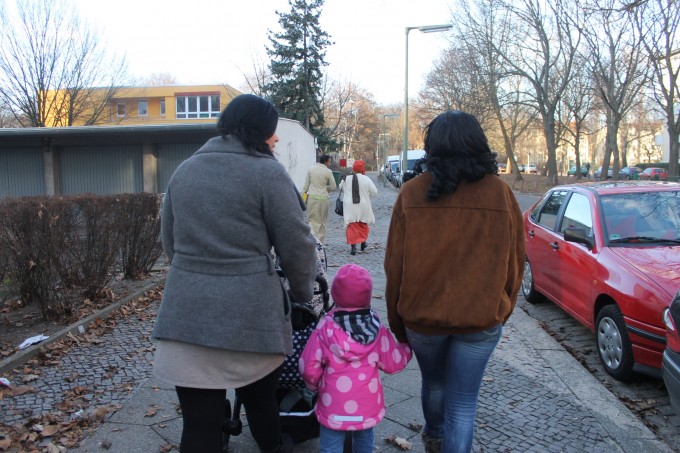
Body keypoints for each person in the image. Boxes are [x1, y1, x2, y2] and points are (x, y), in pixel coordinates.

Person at [152, 94, 318, 453]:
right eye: (273, 132)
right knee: (261, 402)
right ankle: (272, 446)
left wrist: (196, 272)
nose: (276, 138)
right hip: (251, 319)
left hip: (186, 316)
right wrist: (303, 293)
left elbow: (170, 243)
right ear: (260, 132)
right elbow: (297, 244)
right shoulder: (267, 172)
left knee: (198, 423)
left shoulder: (185, 170)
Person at [383, 110, 525, 453]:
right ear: (478, 143)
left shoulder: (412, 192)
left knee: (434, 384)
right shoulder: (500, 194)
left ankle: (434, 437)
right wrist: (501, 308)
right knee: (463, 404)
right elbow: (515, 262)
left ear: (432, 147)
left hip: (422, 318)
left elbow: (394, 266)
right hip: (480, 317)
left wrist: (398, 322)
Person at [299, 264, 412, 453]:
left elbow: (308, 366)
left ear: (335, 294)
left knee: (330, 445)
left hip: (333, 402)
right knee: (364, 441)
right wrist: (406, 347)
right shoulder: (377, 328)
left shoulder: (324, 328)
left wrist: (314, 385)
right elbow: (393, 363)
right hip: (366, 404)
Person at [338, 160, 378, 255]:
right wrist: (368, 195)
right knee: (362, 224)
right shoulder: (366, 179)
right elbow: (375, 192)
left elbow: (340, 188)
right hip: (363, 204)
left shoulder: (346, 179)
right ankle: (363, 242)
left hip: (349, 205)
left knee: (351, 225)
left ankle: (353, 247)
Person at [302, 154, 337, 243]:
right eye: (329, 162)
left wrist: (303, 199)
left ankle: (311, 242)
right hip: (323, 199)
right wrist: (325, 189)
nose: (330, 164)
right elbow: (333, 187)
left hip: (312, 198)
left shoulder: (311, 169)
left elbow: (305, 187)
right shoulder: (328, 172)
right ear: (326, 162)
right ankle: (320, 243)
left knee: (312, 221)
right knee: (322, 222)